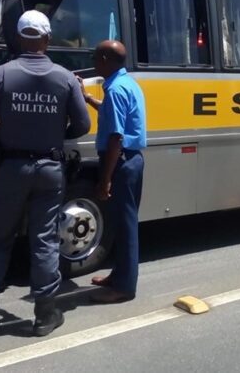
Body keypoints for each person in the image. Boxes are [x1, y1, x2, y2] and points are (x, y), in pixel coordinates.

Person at [0, 10, 91, 337]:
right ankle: (44, 316)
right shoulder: (64, 78)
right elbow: (82, 125)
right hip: (50, 168)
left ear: (19, 37)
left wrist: (10, 132)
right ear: (47, 39)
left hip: (10, 168)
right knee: (44, 239)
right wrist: (52, 131)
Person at [80, 40, 147, 303]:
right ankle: (118, 275)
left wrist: (105, 179)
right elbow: (110, 115)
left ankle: (124, 287)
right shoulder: (125, 84)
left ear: (106, 59)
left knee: (126, 225)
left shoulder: (117, 89)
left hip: (121, 161)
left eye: (96, 57)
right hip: (130, 159)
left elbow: (116, 137)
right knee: (120, 222)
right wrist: (87, 98)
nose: (93, 62)